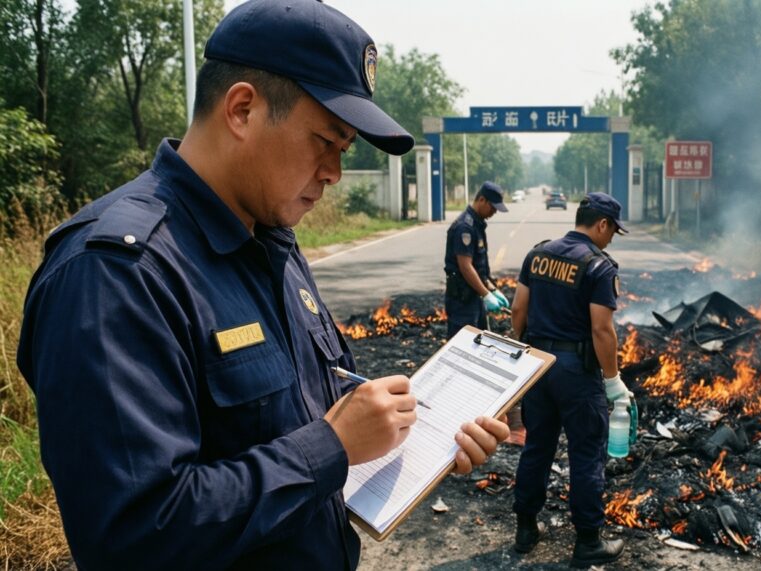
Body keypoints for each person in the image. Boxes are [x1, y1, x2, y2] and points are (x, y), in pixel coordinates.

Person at [16, 1, 509, 569]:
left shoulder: (272, 238)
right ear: (243, 109)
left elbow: (306, 408)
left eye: (344, 150)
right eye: (325, 141)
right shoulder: (116, 274)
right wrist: (333, 446)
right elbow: (134, 535)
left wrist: (422, 436)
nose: (334, 173)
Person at [509, 192, 628, 568]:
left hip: (537, 364)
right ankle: (588, 541)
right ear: (602, 224)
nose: (611, 239)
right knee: (587, 453)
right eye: (612, 231)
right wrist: (613, 381)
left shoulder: (538, 254)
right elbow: (602, 331)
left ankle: (526, 530)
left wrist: (523, 351)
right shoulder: (599, 266)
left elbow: (518, 310)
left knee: (538, 447)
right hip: (576, 370)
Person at [443, 181, 510, 339]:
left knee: (478, 343)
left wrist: (493, 289)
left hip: (474, 297)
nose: (494, 212)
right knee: (461, 347)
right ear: (481, 200)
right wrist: (486, 294)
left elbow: (479, 268)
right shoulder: (464, 228)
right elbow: (465, 267)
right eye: (493, 207)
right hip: (461, 300)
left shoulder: (477, 225)